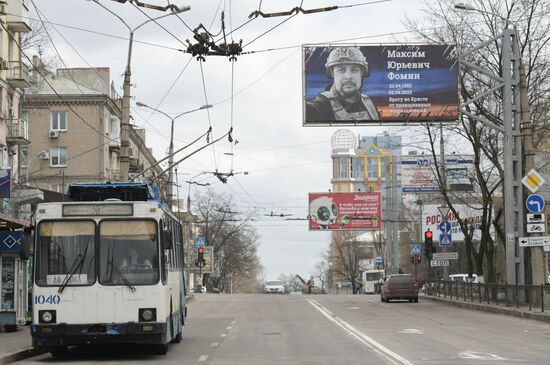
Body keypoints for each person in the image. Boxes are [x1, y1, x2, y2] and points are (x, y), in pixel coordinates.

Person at [306, 46, 379, 122]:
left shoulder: (368, 103)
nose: (348, 76)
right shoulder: (316, 109)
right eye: (341, 70)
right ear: (332, 74)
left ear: (361, 74)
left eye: (354, 70)